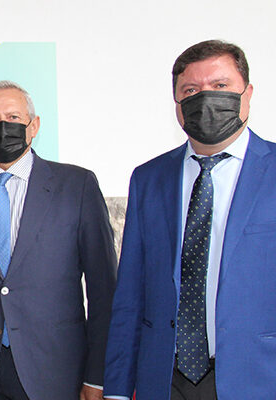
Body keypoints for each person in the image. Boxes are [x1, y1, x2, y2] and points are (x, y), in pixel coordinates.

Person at [0, 81, 117, 400]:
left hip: (55, 371)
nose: (2, 127)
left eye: (13, 117)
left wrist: (98, 377)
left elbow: (103, 290)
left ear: (34, 125)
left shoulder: (77, 186)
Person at [103, 40, 276, 400]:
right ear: (178, 105)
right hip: (164, 380)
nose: (206, 97)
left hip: (258, 378)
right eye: (191, 90)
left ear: (248, 93)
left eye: (220, 85)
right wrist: (117, 389)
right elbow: (131, 293)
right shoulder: (149, 178)